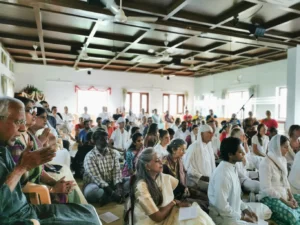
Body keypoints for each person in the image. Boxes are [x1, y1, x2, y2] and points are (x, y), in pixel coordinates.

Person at [0, 96, 101, 225]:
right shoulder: (12, 146)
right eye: (18, 122)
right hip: (15, 219)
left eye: (23, 123)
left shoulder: (4, 149)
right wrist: (21, 168)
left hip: (26, 210)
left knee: (88, 211)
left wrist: (30, 165)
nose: (22, 128)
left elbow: (18, 185)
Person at [130, 148, 215, 225]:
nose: (161, 162)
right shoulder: (141, 186)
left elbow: (182, 189)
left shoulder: (163, 177)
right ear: (147, 166)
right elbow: (157, 217)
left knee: (198, 215)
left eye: (160, 159)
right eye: (156, 160)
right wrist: (173, 202)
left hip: (167, 213)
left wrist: (183, 203)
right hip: (151, 221)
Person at [208, 137, 258, 225]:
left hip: (232, 215)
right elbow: (221, 206)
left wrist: (246, 209)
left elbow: (235, 197)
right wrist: (242, 217)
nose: (243, 153)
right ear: (230, 155)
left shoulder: (232, 167)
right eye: (240, 152)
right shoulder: (223, 174)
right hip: (223, 219)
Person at [258, 134, 300, 225]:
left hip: (284, 194)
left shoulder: (282, 160)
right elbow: (267, 189)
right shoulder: (266, 164)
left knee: (297, 200)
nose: (288, 150)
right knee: (291, 217)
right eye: (285, 147)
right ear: (277, 147)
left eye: (288, 147)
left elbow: (285, 181)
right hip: (270, 198)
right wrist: (286, 202)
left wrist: (291, 197)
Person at [163, 139, 209, 211]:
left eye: (185, 150)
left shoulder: (179, 159)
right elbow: (165, 188)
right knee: (203, 205)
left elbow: (183, 176)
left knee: (207, 198)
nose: (184, 152)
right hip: (175, 197)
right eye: (182, 150)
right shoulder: (165, 165)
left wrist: (186, 188)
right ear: (174, 150)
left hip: (184, 190)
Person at [83, 129, 124, 206]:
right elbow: (97, 179)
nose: (106, 142)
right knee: (91, 192)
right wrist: (113, 193)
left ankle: (106, 198)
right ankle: (111, 196)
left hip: (111, 184)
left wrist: (119, 189)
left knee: (130, 181)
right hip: (95, 185)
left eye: (106, 139)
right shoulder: (90, 157)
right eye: (102, 139)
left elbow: (117, 173)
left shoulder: (113, 153)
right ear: (94, 142)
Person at [184, 124, 215, 192]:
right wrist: (201, 176)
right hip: (195, 180)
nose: (211, 135)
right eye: (209, 132)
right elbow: (187, 167)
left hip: (207, 179)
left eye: (212, 133)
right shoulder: (194, 147)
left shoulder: (209, 148)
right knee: (214, 189)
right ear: (201, 134)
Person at [231, 128, 260, 194]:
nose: (244, 136)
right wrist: (248, 178)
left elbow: (247, 160)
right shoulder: (233, 148)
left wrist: (245, 143)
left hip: (245, 173)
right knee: (258, 185)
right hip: (241, 179)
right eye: (242, 135)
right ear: (237, 136)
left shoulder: (240, 145)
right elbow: (237, 172)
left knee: (261, 174)